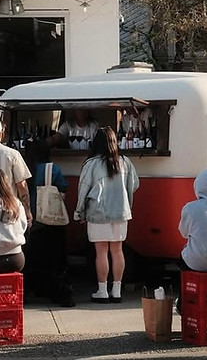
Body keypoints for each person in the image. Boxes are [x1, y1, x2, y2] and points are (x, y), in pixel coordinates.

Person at [74, 127, 139, 303]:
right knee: (117, 251)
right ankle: (117, 290)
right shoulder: (125, 162)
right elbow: (134, 185)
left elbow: (83, 189)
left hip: (98, 212)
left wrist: (79, 212)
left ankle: (102, 290)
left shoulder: (91, 164)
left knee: (101, 252)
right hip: (121, 212)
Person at [24, 139, 74, 307]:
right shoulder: (51, 169)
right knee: (55, 261)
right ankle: (58, 293)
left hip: (29, 221)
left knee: (30, 260)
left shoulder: (24, 168)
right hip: (50, 221)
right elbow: (63, 187)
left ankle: (29, 290)